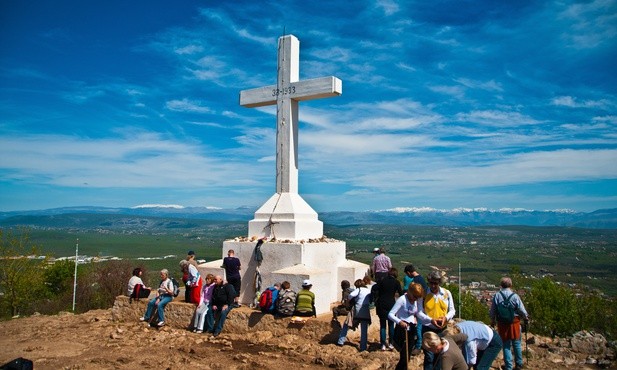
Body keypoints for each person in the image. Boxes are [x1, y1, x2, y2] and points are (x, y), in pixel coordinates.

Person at [417, 270, 456, 370]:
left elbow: (452, 310)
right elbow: (419, 312)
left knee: (440, 356)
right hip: (428, 329)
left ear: (439, 283)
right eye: (431, 283)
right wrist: (430, 320)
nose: (433, 286)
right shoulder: (424, 294)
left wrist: (446, 318)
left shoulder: (446, 294)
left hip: (442, 329)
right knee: (429, 356)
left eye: (436, 283)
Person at [489, 277, 529, 370]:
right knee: (516, 343)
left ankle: (509, 366)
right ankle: (519, 364)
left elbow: (493, 310)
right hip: (514, 322)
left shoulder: (497, 295)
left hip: (502, 323)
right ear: (510, 285)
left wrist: (492, 320)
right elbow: (521, 309)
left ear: (501, 285)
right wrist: (526, 317)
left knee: (506, 345)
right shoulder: (514, 296)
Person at [388, 283, 430, 370]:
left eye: (417, 297)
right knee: (404, 357)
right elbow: (390, 314)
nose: (415, 299)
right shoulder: (402, 299)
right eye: (414, 297)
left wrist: (430, 320)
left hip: (411, 328)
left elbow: (419, 313)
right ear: (410, 292)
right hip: (402, 328)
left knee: (408, 356)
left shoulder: (417, 300)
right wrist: (399, 321)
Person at [337, 278, 372, 352]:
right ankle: (363, 347)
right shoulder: (368, 290)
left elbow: (350, 296)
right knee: (364, 329)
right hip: (366, 310)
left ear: (357, 285)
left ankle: (340, 341)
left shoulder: (358, 290)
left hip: (357, 310)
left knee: (346, 324)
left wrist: (349, 302)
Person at [374, 267, 403, 351]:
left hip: (381, 304)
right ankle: (391, 343)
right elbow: (400, 293)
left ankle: (382, 344)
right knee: (391, 325)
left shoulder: (382, 280)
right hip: (391, 304)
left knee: (383, 325)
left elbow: (375, 288)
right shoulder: (396, 282)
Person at [403, 264, 429, 356]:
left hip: (420, 306)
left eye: (407, 274)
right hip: (422, 305)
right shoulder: (421, 278)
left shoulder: (416, 281)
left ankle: (418, 346)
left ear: (409, 272)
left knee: (418, 326)